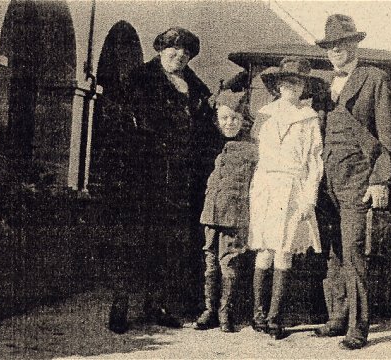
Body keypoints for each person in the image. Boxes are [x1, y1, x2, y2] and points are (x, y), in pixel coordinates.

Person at [106, 27, 221, 334]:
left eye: (185, 51)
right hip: (142, 176)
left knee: (168, 243)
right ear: (160, 50)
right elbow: (119, 125)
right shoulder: (139, 79)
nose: (178, 55)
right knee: (133, 241)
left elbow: (206, 134)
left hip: (181, 180)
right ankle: (120, 305)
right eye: (172, 48)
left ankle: (157, 304)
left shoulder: (196, 88)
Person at [313, 14, 391, 350]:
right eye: (330, 45)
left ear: (354, 45)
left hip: (358, 181)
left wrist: (380, 181)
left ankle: (358, 328)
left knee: (354, 255)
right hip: (327, 181)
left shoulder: (375, 79)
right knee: (333, 254)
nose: (334, 51)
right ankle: (337, 317)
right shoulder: (324, 85)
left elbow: (388, 137)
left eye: (341, 44)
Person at [249, 57, 324, 339]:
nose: (293, 87)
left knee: (284, 249)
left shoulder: (309, 119)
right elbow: (257, 155)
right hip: (265, 186)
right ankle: (257, 313)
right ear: (278, 85)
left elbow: (314, 161)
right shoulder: (265, 115)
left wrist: (309, 198)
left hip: (293, 187)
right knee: (263, 248)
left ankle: (275, 317)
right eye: (288, 82)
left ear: (304, 87)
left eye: (298, 83)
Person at [194, 90, 258, 332]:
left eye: (234, 118)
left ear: (243, 121)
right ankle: (209, 309)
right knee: (209, 261)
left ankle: (225, 312)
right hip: (210, 214)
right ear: (216, 121)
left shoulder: (252, 149)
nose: (229, 123)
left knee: (229, 263)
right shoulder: (211, 145)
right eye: (224, 119)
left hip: (235, 215)